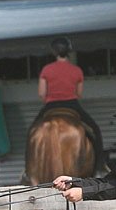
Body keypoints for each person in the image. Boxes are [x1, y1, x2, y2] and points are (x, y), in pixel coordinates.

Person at [36, 37, 106, 172]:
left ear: (54, 52)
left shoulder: (47, 69)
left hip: (51, 105)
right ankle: (99, 165)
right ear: (69, 51)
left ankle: (28, 169)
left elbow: (41, 94)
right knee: (95, 130)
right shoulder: (77, 70)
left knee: (32, 132)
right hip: (72, 105)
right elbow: (79, 94)